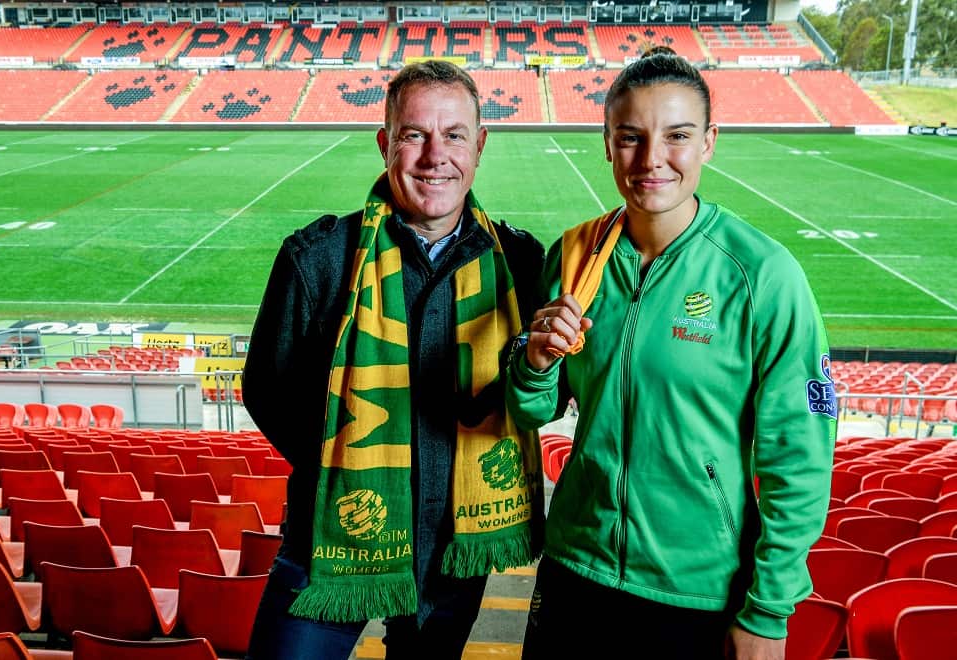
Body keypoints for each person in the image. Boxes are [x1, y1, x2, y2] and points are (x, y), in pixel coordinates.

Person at [507, 47, 836, 659]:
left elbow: (799, 458)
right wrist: (534, 366)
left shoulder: (763, 275)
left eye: (677, 136)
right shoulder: (574, 255)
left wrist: (769, 611)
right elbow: (534, 411)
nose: (651, 159)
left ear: (709, 142)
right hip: (575, 569)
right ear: (608, 144)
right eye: (631, 137)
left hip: (696, 593)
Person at [241, 59, 546, 660]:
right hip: (333, 535)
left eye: (454, 135)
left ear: (480, 145)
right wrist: (342, 467)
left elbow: (542, 396)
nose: (436, 156)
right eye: (414, 135)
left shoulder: (519, 262)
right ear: (385, 145)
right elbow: (266, 391)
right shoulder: (318, 259)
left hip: (456, 545)